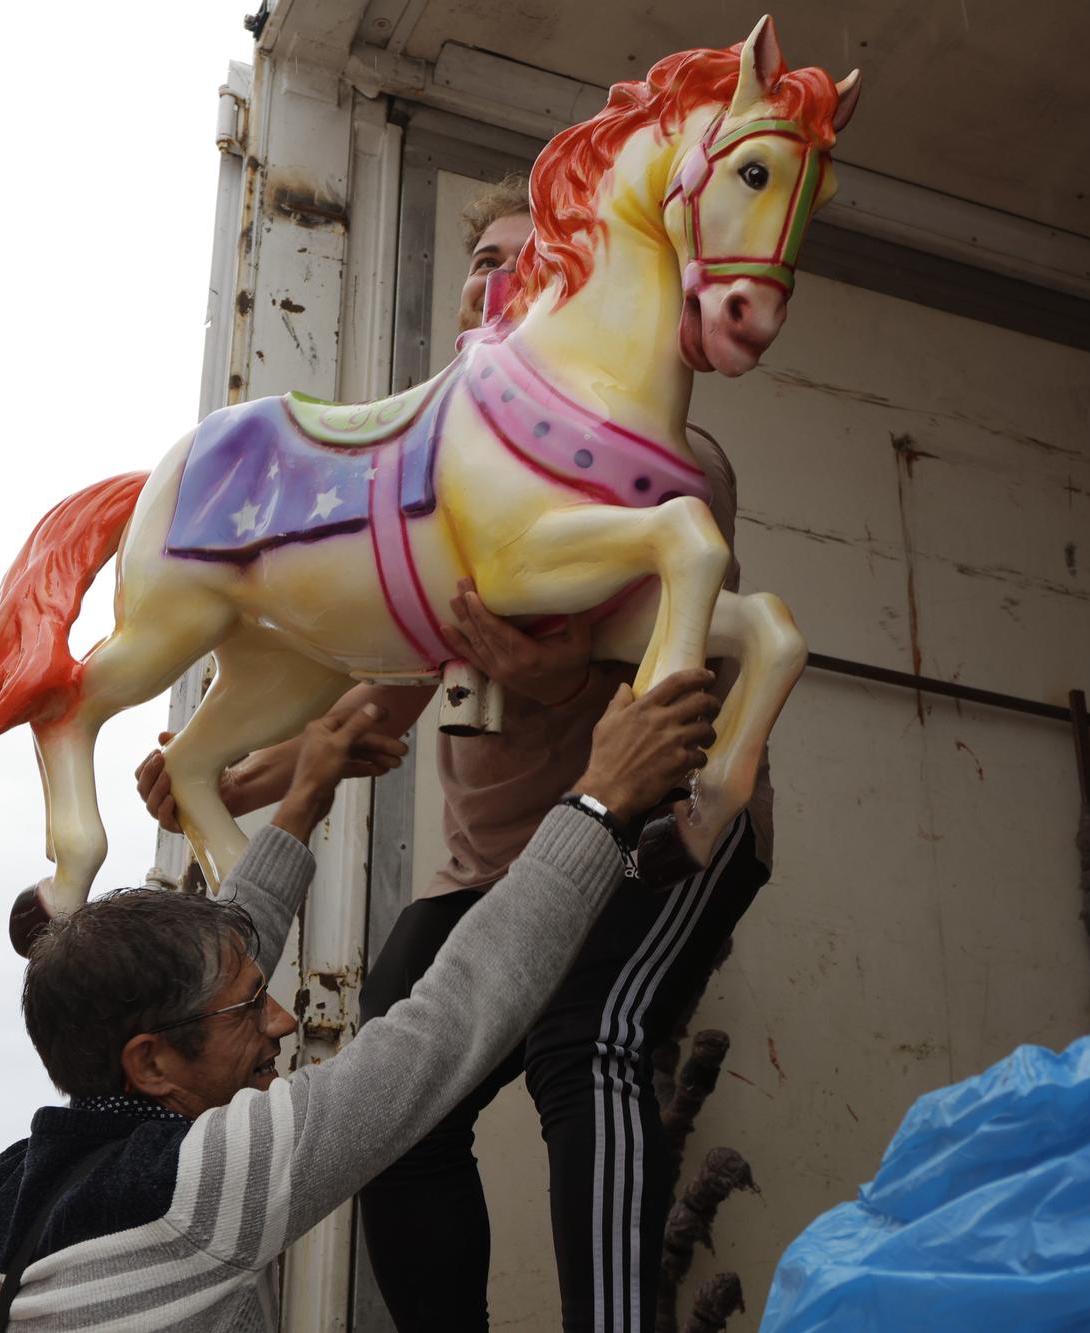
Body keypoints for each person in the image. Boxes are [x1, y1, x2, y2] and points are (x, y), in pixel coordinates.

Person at [134, 176, 777, 1333]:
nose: (495, 275)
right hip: (489, 867)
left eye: (524, 257)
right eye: (480, 259)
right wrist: (235, 779)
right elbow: (381, 700)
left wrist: (564, 678)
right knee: (397, 1103)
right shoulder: (458, 478)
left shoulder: (662, 451)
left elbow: (678, 649)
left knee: (589, 1040)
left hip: (653, 828)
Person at [0, 676, 720, 1331]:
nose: (284, 1019)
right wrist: (600, 800)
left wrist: (305, 795)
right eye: (251, 1008)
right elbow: (447, 1023)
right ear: (151, 1061)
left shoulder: (15, 1195)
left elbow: (222, 960)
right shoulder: (199, 1185)